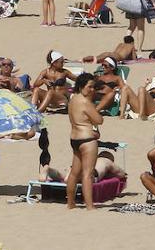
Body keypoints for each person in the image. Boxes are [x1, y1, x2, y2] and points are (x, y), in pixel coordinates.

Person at [67, 73, 105, 209]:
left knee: (74, 173)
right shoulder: (85, 102)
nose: (92, 90)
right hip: (87, 139)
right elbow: (99, 120)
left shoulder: (72, 100)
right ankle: (89, 206)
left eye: (93, 87)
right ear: (81, 87)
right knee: (87, 174)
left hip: (74, 138)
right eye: (89, 87)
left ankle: (70, 204)